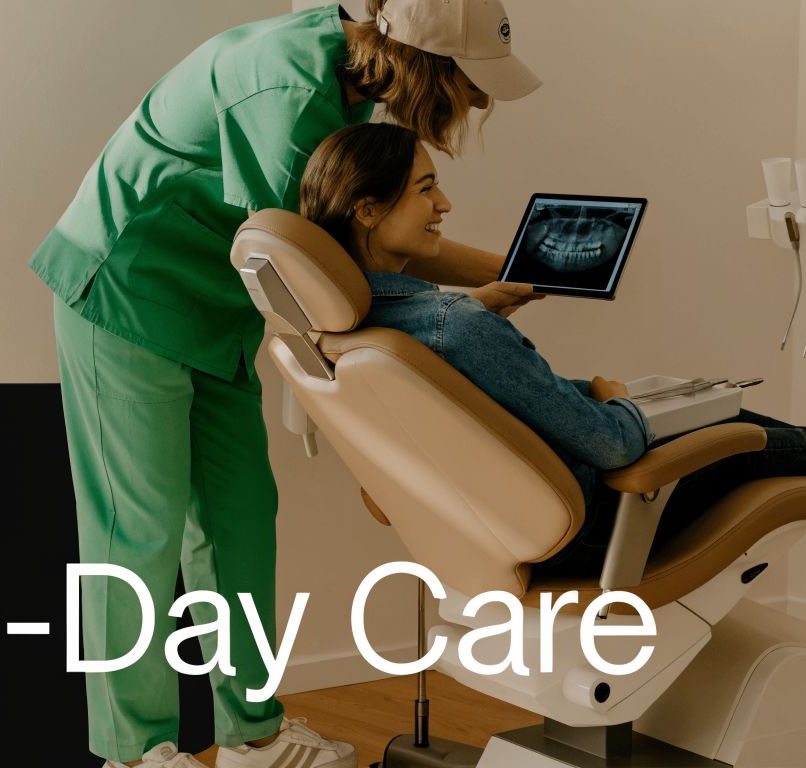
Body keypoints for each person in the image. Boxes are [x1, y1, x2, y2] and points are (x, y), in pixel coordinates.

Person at [29, 2, 544, 766]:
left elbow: (355, 232)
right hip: (128, 289)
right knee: (137, 530)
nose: (474, 102)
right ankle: (134, 753)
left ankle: (254, 735)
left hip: (214, 311)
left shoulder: (349, 84)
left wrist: (513, 268)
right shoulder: (289, 90)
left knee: (239, 521)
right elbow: (307, 261)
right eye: (467, 82)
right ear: (423, 62)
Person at [298, 121, 806, 574]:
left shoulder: (349, 333)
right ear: (369, 209)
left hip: (489, 531)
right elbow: (612, 446)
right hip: (596, 529)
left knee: (684, 404)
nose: (444, 205)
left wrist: (494, 318)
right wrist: (616, 403)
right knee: (722, 428)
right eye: (425, 188)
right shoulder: (456, 325)